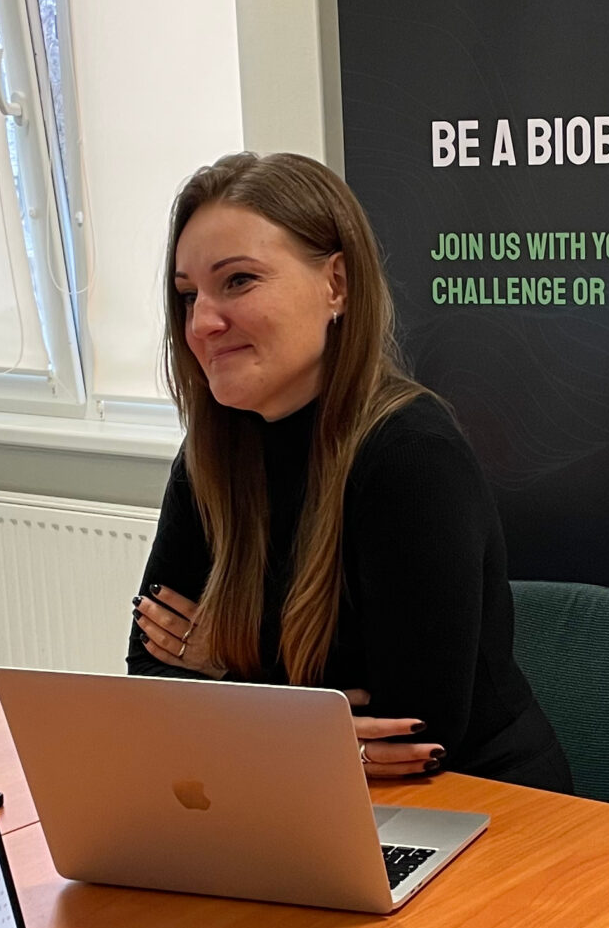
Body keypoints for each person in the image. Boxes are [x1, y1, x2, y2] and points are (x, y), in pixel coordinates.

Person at [127, 152, 572, 792]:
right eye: (188, 294)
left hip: (472, 799)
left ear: (335, 284)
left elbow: (412, 732)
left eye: (239, 281)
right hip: (295, 791)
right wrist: (308, 723)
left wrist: (221, 665)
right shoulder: (214, 450)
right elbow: (150, 674)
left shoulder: (411, 454)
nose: (202, 322)